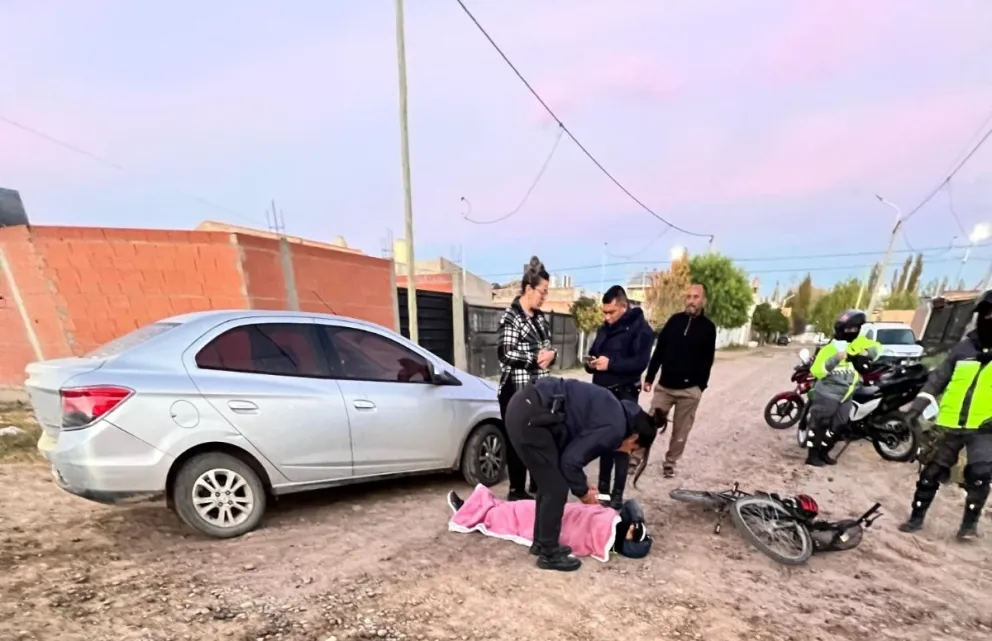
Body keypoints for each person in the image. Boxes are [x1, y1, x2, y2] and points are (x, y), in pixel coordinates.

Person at [503, 376, 660, 571]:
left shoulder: (615, 412)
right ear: (634, 436)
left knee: (549, 481)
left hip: (526, 407)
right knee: (556, 486)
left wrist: (584, 484)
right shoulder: (615, 427)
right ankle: (549, 554)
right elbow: (570, 461)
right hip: (532, 416)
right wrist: (584, 493)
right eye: (633, 448)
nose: (628, 452)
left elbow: (572, 452)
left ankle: (542, 543)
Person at [898, 290, 992, 540]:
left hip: (984, 429)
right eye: (987, 314)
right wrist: (915, 409)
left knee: (980, 476)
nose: (990, 318)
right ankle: (916, 518)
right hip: (948, 424)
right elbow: (937, 379)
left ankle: (969, 527)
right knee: (930, 474)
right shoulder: (963, 348)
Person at [585, 285, 654, 509]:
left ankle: (617, 495)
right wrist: (591, 363)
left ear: (624, 306)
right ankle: (603, 492)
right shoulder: (604, 328)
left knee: (622, 446)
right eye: (604, 312)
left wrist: (611, 364)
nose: (607, 317)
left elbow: (640, 364)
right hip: (602, 394)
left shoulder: (641, 330)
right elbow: (595, 352)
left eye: (611, 312)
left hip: (625, 396)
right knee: (605, 442)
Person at [446, 487, 653, 561]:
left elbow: (582, 539)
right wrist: (634, 520)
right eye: (635, 526)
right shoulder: (616, 520)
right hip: (569, 513)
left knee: (516, 518)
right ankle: (480, 507)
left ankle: (469, 511)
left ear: (631, 541)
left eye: (634, 531)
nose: (633, 527)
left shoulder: (609, 540)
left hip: (569, 526)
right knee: (524, 506)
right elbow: (631, 506)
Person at [496, 256, 557, 501]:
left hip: (539, 389)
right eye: (542, 292)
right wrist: (535, 357)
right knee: (517, 441)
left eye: (546, 293)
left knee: (539, 437)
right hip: (516, 390)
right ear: (529, 289)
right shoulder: (510, 317)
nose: (544, 297)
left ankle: (536, 483)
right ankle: (516, 490)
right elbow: (505, 353)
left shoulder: (540, 317)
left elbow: (549, 347)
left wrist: (553, 354)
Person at [642, 283, 717, 478]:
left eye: (696, 297)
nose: (691, 301)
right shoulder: (674, 321)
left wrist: (700, 387)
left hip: (689, 392)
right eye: (689, 297)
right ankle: (636, 459)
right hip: (665, 388)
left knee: (680, 432)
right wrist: (650, 377)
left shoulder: (708, 328)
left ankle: (670, 463)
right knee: (648, 424)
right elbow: (659, 351)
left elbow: (707, 360)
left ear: (703, 300)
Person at [805, 310, 880, 467]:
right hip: (827, 393)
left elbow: (878, 348)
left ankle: (825, 451)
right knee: (820, 424)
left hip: (847, 394)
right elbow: (816, 370)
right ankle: (813, 455)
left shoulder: (859, 343)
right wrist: (834, 360)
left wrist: (867, 352)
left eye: (855, 329)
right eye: (849, 329)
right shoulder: (830, 349)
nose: (852, 332)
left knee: (839, 425)